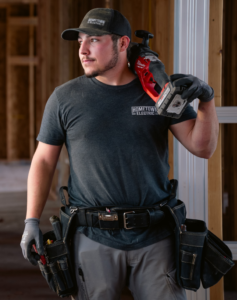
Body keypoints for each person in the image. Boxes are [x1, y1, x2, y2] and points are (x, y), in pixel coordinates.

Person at [20, 8, 218, 300]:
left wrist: (207, 99)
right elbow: (44, 160)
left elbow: (202, 148)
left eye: (94, 40)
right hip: (92, 237)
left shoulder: (157, 93)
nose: (83, 50)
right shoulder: (65, 98)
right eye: (80, 42)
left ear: (123, 44)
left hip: (155, 238)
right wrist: (31, 221)